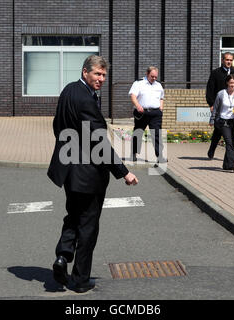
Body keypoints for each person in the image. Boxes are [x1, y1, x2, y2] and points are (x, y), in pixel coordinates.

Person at [47, 55, 138, 293]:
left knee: (73, 216)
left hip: (68, 169)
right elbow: (99, 142)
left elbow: (58, 125)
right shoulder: (87, 99)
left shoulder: (69, 90)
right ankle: (79, 279)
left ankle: (62, 257)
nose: (101, 79)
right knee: (87, 226)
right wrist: (124, 172)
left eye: (104, 76)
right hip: (87, 174)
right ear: (85, 71)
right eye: (97, 74)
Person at [206, 52, 234, 159]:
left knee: (230, 133)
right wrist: (211, 104)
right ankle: (212, 149)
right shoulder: (215, 73)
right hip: (219, 107)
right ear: (222, 60)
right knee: (218, 130)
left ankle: (231, 156)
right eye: (227, 60)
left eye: (231, 60)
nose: (229, 62)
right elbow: (210, 89)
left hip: (231, 109)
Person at [129, 66, 166, 163]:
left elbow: (162, 97)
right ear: (147, 74)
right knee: (138, 133)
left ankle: (160, 156)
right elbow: (133, 96)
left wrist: (161, 108)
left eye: (155, 77)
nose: (154, 78)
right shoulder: (138, 83)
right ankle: (133, 154)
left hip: (155, 113)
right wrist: (137, 105)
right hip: (142, 112)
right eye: (152, 76)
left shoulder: (158, 85)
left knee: (156, 134)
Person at [209, 73, 234, 172]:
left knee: (232, 143)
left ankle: (226, 164)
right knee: (228, 142)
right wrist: (212, 119)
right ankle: (233, 164)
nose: (232, 85)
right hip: (224, 121)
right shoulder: (221, 94)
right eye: (230, 83)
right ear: (227, 83)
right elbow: (215, 108)